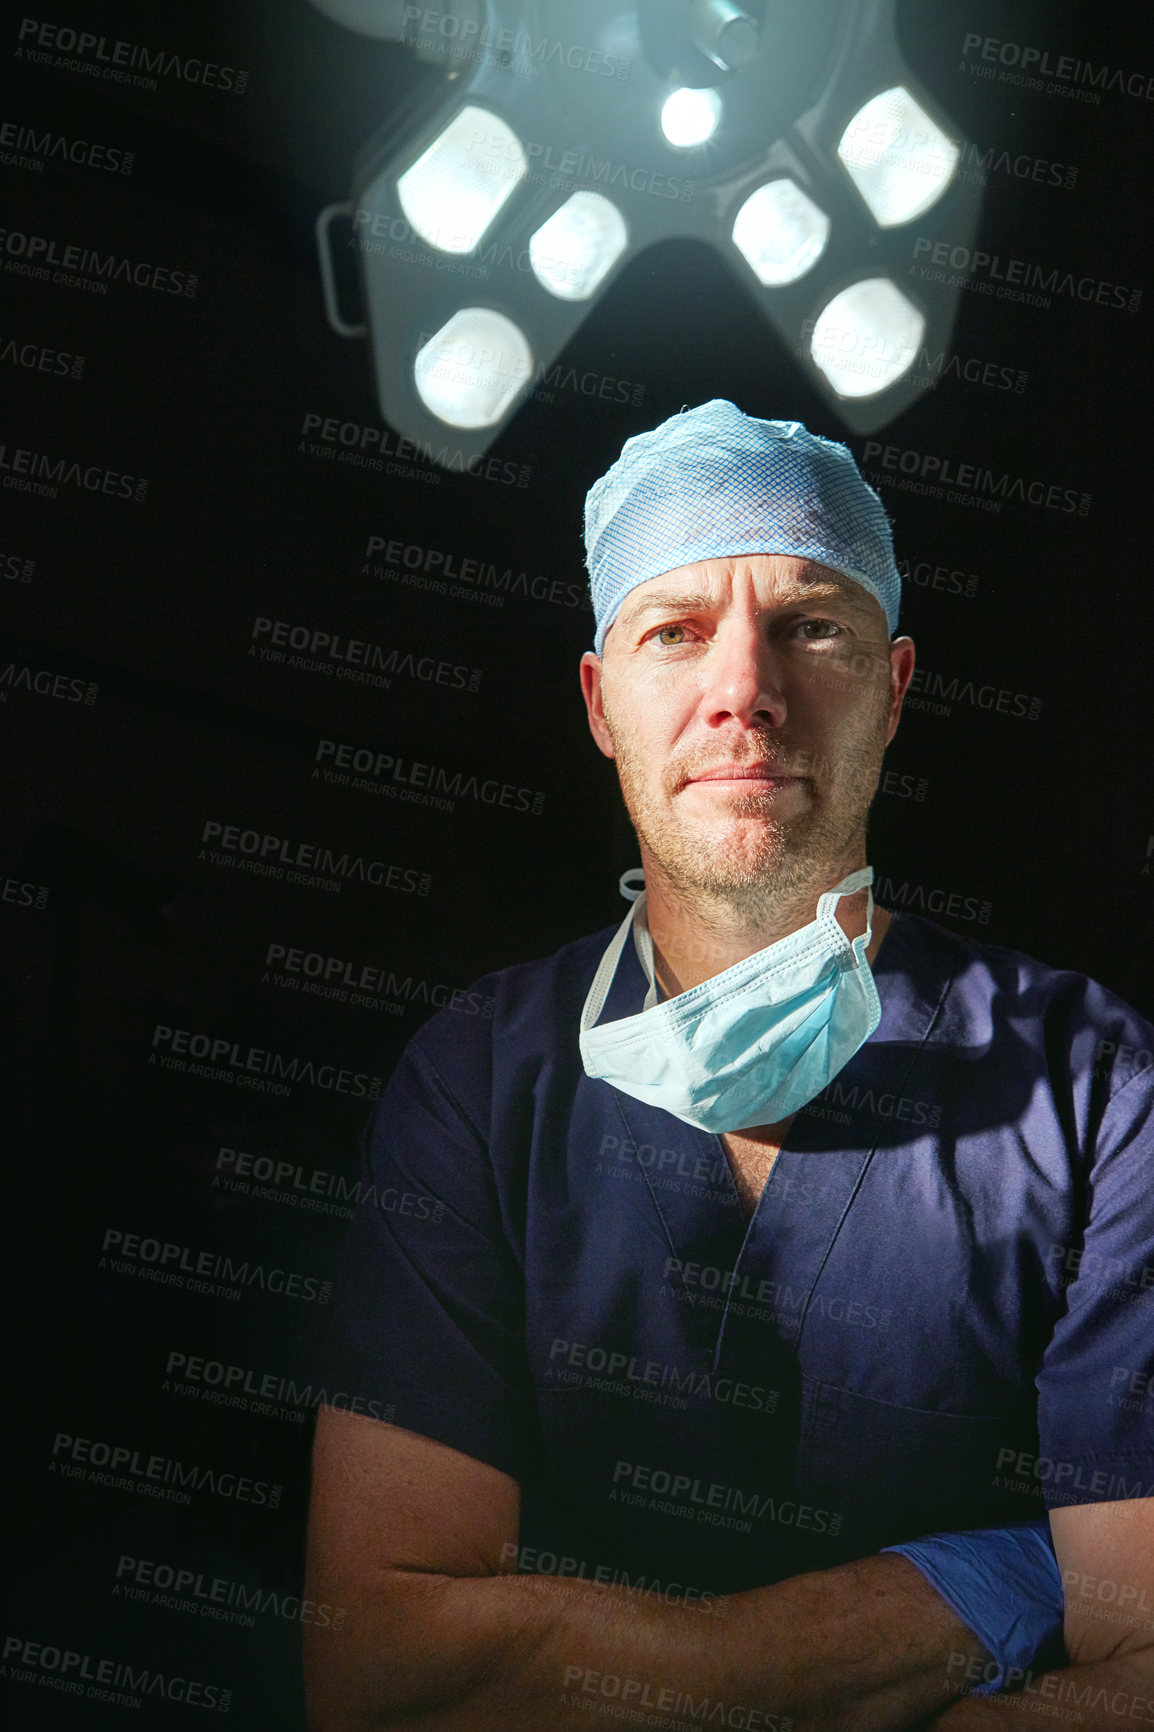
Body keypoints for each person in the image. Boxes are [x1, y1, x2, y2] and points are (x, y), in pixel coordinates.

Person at [303, 402, 1154, 1730]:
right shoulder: (478, 1079)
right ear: (599, 701)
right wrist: (980, 1583)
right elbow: (380, 1674)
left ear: (894, 687)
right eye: (674, 630)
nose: (743, 688)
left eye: (813, 625)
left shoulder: (1089, 1086)